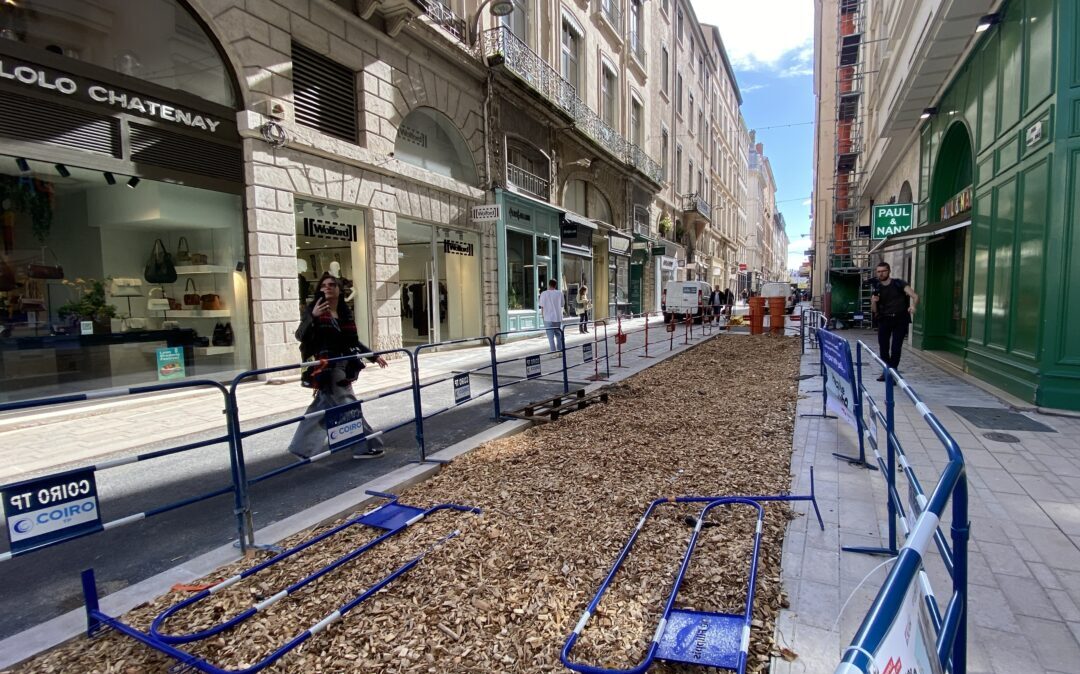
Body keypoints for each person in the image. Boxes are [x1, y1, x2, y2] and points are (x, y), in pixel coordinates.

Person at [287, 273, 388, 460]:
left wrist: (373, 356)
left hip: (344, 365)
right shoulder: (314, 310)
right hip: (327, 367)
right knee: (348, 406)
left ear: (339, 290)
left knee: (322, 409)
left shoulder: (343, 313)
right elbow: (300, 335)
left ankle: (301, 449)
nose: (327, 287)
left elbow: (352, 342)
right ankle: (365, 446)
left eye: (332, 284)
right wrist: (313, 317)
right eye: (324, 285)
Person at [871, 261, 918, 382]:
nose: (881, 274)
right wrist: (873, 301)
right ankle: (886, 370)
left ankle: (893, 372)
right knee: (883, 348)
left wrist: (913, 306)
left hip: (900, 318)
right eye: (879, 272)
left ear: (889, 271)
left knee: (896, 347)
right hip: (884, 319)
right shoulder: (877, 287)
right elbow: (874, 310)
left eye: (883, 271)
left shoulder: (899, 283)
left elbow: (915, 296)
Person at [538, 278, 565, 352]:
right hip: (557, 317)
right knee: (558, 335)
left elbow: (542, 306)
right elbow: (562, 305)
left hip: (548, 317)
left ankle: (553, 352)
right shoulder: (560, 293)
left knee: (550, 337)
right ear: (555, 285)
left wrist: (542, 316)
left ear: (549, 284)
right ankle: (560, 351)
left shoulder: (544, 293)